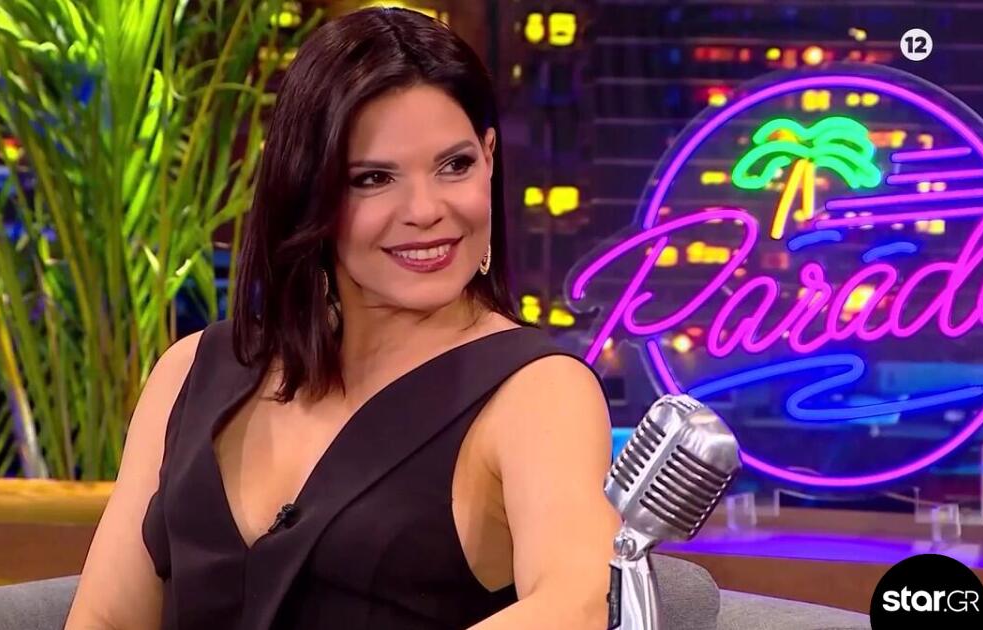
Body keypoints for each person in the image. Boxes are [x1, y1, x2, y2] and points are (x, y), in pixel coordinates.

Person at [66, 7, 619, 629]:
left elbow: (577, 602)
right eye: (374, 178)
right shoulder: (191, 370)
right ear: (309, 190)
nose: (425, 210)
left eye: (455, 165)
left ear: (490, 159)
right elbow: (105, 619)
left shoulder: (539, 392)